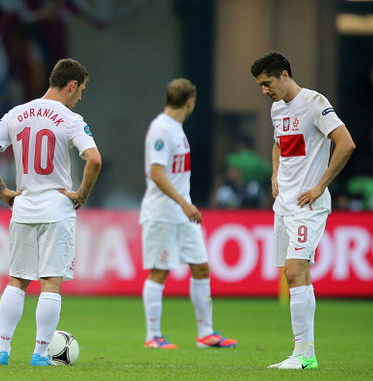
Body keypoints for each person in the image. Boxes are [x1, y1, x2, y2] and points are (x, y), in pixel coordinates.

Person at [0, 58, 101, 366]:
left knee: (16, 280)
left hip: (23, 207)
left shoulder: (17, 113)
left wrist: (3, 190)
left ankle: (2, 351)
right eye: (81, 90)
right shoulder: (70, 118)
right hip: (56, 210)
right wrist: (81, 195)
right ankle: (40, 354)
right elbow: (94, 159)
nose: (80, 96)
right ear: (71, 85)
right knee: (50, 283)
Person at [251, 51, 355, 370]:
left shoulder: (314, 103)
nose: (264, 90)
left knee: (293, 271)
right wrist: (274, 173)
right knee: (299, 275)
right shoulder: (276, 110)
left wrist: (321, 184)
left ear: (284, 75)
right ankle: (306, 354)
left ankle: (303, 354)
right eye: (260, 85)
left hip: (308, 205)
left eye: (267, 83)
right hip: (283, 205)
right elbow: (279, 144)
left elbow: (346, 143)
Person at [140, 78, 238, 350]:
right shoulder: (161, 129)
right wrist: (184, 203)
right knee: (159, 271)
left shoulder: (175, 129)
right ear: (190, 103)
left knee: (201, 267)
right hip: (163, 213)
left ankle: (206, 333)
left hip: (183, 212)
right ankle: (153, 335)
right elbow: (156, 173)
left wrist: (184, 205)